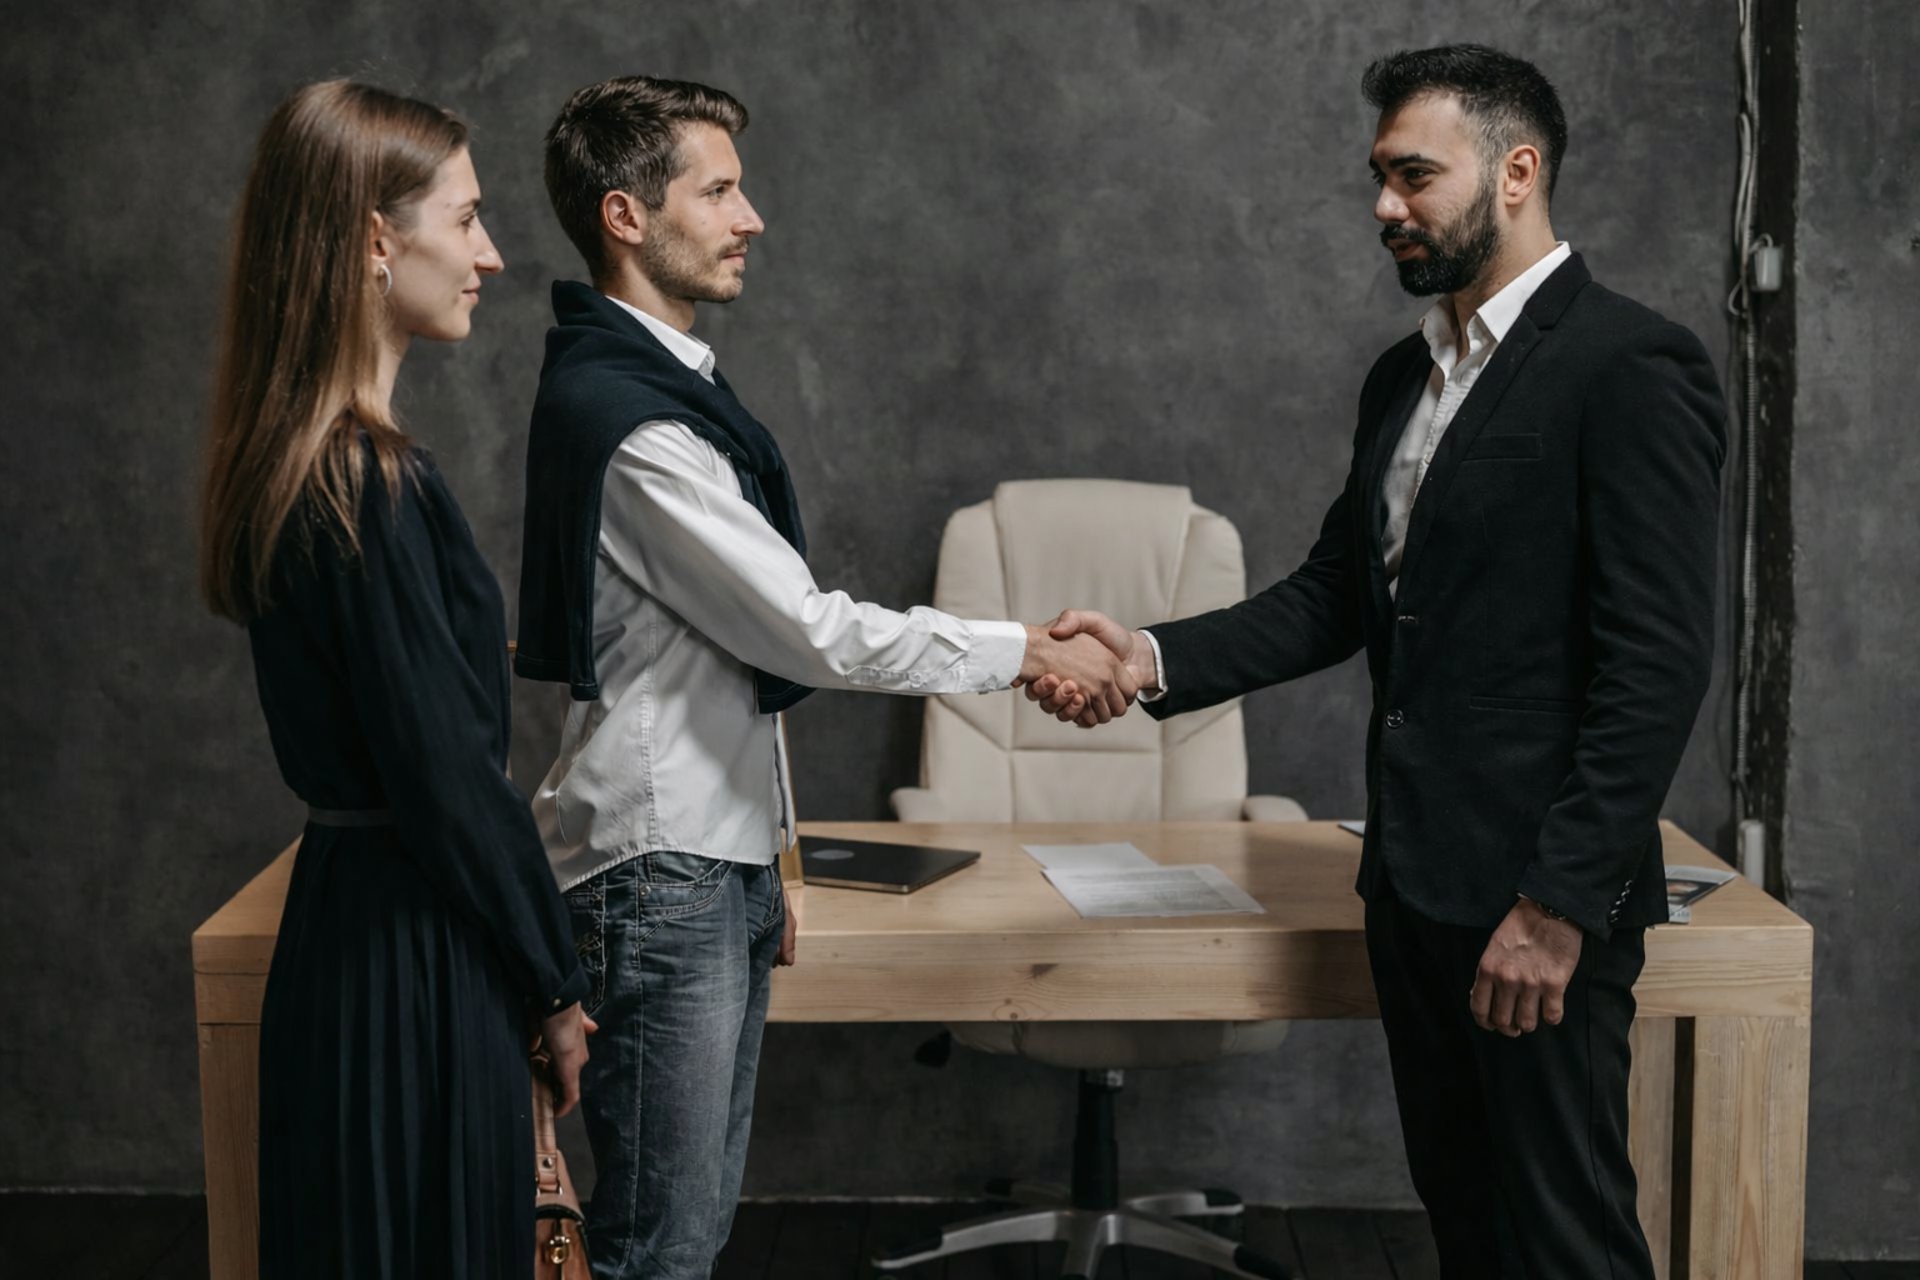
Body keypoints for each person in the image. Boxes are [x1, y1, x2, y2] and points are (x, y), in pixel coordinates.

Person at [1031, 45, 1726, 1279]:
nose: (1384, 206)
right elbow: (1335, 597)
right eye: (1378, 176)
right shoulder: (1404, 376)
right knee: (1466, 1224)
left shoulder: (1630, 365)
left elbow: (1656, 665)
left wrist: (1557, 906)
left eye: (1414, 175)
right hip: (1413, 890)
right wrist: (1143, 656)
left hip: (1534, 902)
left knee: (1567, 1242)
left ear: (1517, 173)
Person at [512, 75, 1135, 1280]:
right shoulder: (635, 426)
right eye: (721, 189)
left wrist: (775, 851)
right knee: (660, 1248)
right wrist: (1023, 650)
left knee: (686, 1233)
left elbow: (730, 655)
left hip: (707, 858)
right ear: (624, 217)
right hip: (662, 871)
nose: (752, 217)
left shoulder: (665, 390)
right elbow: (804, 633)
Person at [197, 80, 593, 1278]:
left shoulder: (292, 460)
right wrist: (556, 983)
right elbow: (451, 783)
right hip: (417, 955)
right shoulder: (370, 478)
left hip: (345, 932)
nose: (493, 252)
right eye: (465, 219)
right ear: (379, 238)